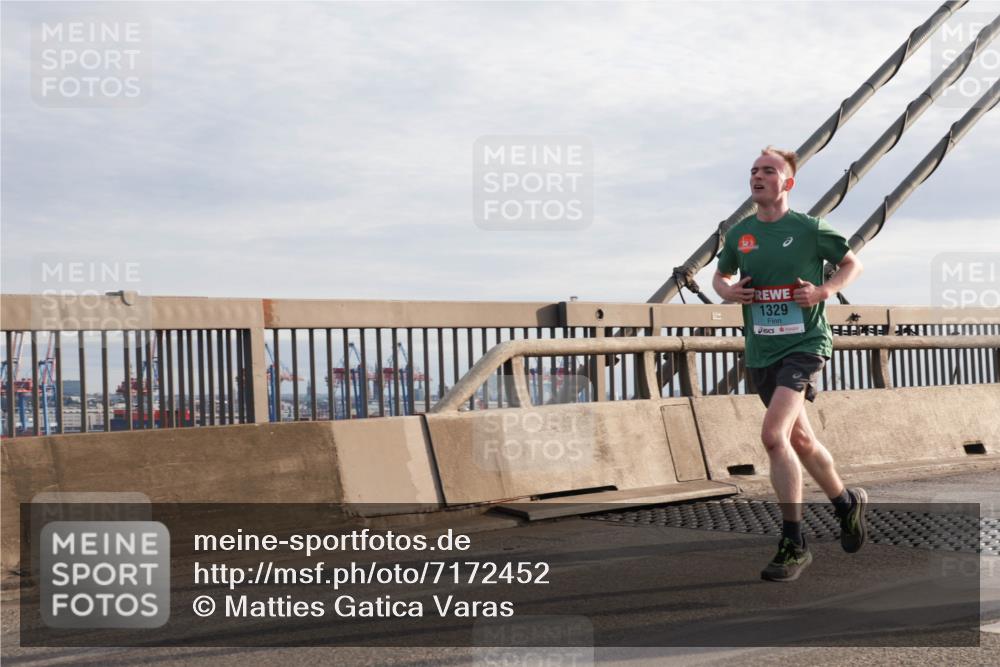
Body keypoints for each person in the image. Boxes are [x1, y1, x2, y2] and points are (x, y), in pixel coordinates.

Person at [713, 146, 868, 582]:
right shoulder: (740, 235)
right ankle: (845, 503)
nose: (757, 176)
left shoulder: (810, 229)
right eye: (753, 170)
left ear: (787, 183)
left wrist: (822, 291)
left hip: (805, 344)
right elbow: (720, 275)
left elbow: (852, 263)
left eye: (768, 171)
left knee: (773, 436)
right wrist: (728, 292)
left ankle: (793, 542)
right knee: (800, 440)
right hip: (762, 349)